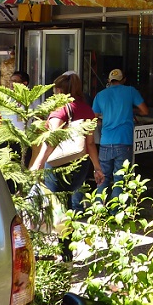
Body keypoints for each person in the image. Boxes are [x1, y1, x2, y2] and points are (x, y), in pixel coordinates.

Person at [30, 72, 104, 211]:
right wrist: (97, 168)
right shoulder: (87, 109)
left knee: (56, 204)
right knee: (68, 202)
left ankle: (60, 232)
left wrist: (38, 164)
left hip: (58, 163)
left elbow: (52, 140)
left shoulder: (60, 111)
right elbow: (90, 143)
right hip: (80, 164)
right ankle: (69, 230)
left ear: (59, 91)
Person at [92, 68, 148, 200]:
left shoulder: (100, 95)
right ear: (124, 80)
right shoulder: (130, 91)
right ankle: (116, 212)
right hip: (124, 141)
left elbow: (93, 119)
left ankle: (99, 211)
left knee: (102, 178)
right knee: (120, 180)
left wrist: (103, 120)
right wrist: (131, 111)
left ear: (109, 81)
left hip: (105, 142)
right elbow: (145, 111)